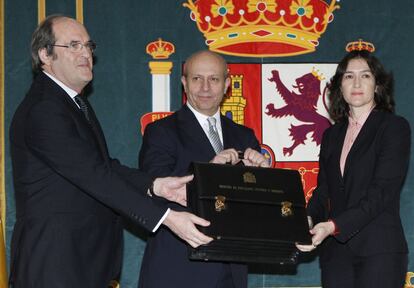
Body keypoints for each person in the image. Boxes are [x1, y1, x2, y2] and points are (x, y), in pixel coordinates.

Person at [9, 15, 212, 288]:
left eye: (88, 45)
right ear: (45, 54)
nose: (85, 53)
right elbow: (94, 176)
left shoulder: (72, 104)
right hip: (54, 267)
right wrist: (166, 217)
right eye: (73, 45)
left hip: (80, 264)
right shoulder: (44, 109)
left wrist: (155, 185)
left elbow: (104, 166)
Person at [138, 50, 269, 288]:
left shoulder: (244, 136)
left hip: (232, 269)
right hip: (178, 268)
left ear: (227, 84)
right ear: (184, 83)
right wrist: (208, 172)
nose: (205, 87)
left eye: (214, 79)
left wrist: (261, 176)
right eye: (197, 78)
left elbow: (255, 210)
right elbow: (152, 193)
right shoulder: (161, 132)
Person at [296, 48, 410, 287]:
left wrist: (333, 226)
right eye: (349, 76)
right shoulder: (331, 135)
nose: (356, 82)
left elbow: (382, 193)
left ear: (378, 85)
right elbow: (324, 190)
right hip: (336, 254)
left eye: (365, 75)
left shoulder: (393, 128)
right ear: (339, 87)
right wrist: (306, 221)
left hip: (379, 250)